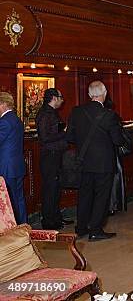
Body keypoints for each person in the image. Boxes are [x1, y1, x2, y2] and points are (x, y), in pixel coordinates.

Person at [67, 81, 125, 241]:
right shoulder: (109, 115)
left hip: (83, 161)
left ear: (89, 94)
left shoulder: (76, 112)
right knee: (101, 196)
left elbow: (70, 136)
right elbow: (118, 140)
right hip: (103, 163)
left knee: (84, 195)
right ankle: (96, 229)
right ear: (104, 94)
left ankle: (81, 228)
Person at [35, 88, 72, 229]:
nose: (62, 100)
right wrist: (64, 132)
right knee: (50, 189)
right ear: (54, 98)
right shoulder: (45, 114)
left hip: (55, 155)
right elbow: (44, 138)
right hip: (49, 156)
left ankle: (56, 217)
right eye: (60, 97)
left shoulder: (52, 113)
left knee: (55, 188)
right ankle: (49, 221)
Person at [0, 92, 27, 224]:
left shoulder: (4, 121)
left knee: (10, 200)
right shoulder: (16, 119)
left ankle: (15, 230)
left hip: (7, 167)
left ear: (3, 104)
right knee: (19, 199)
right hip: (17, 166)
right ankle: (23, 227)